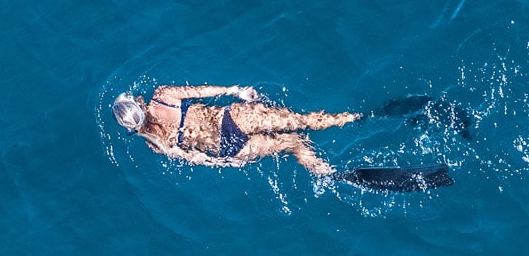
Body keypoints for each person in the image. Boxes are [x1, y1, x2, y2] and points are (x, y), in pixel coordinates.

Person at [112, 84, 453, 190]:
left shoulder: (153, 144)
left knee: (294, 144)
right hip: (235, 117)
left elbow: (195, 158)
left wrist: (231, 161)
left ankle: (329, 174)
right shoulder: (162, 95)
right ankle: (370, 117)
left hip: (229, 147)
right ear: (137, 103)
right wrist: (237, 91)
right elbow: (208, 89)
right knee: (310, 121)